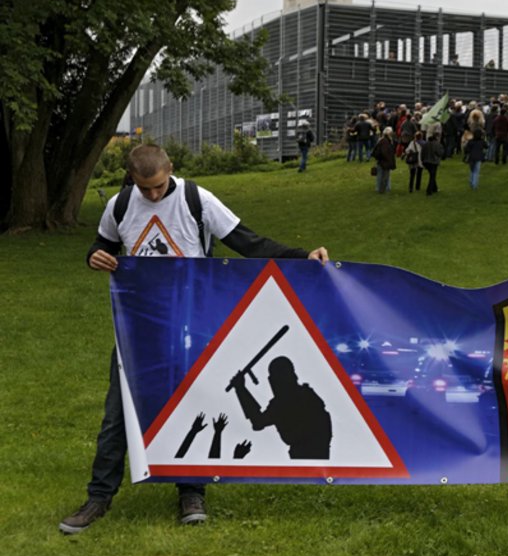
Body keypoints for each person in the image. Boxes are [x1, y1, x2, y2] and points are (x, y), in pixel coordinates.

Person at [59, 144, 329, 535]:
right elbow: (102, 245)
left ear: (170, 168)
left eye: (158, 186)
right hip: (138, 328)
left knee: (191, 407)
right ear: (131, 178)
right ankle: (98, 498)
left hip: (191, 326)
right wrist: (94, 256)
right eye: (145, 188)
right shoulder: (120, 205)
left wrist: (303, 257)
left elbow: (249, 243)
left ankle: (191, 492)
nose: (153, 195)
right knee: (118, 415)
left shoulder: (196, 200)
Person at [372, 126, 397, 194]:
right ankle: (385, 188)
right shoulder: (387, 141)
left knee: (381, 175)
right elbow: (385, 152)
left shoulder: (382, 140)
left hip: (381, 160)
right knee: (385, 176)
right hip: (384, 160)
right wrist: (388, 159)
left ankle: (381, 188)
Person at [424, 130, 444, 196]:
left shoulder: (426, 144)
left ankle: (435, 188)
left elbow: (422, 153)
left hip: (426, 162)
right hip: (433, 162)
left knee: (432, 175)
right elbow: (440, 153)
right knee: (432, 176)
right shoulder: (437, 144)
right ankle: (429, 190)